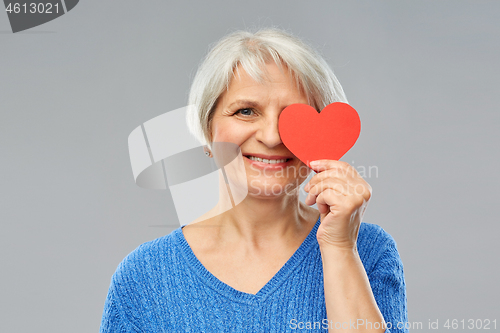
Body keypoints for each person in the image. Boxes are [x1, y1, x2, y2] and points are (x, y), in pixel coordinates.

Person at [100, 28, 408, 332]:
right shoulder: (143, 276)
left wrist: (340, 249)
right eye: (246, 111)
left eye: (293, 116)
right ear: (207, 132)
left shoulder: (369, 251)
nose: (272, 137)